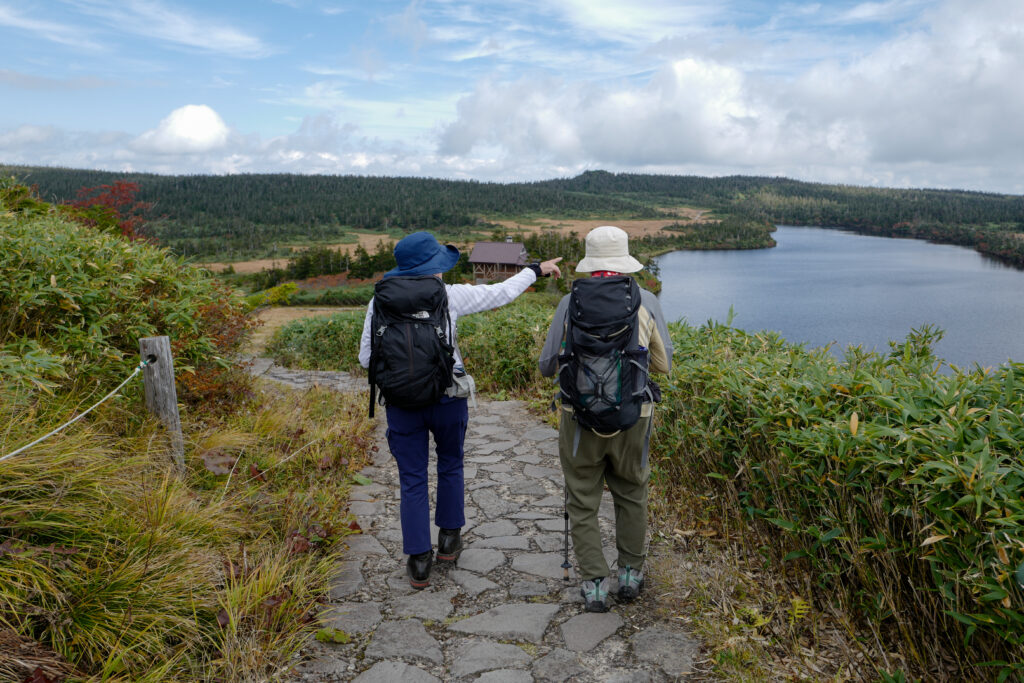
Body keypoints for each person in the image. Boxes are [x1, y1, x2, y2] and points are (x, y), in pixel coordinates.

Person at [358, 231, 562, 588]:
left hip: (402, 406)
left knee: (413, 478)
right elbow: (501, 292)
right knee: (450, 464)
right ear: (433, 267)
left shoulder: (379, 302)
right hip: (448, 397)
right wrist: (535, 270)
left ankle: (419, 560)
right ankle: (449, 540)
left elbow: (366, 358)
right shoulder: (449, 296)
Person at [538, 225, 673, 612]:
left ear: (590, 260)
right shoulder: (645, 299)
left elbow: (548, 367)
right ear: (624, 259)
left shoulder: (569, 303)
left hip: (578, 419)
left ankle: (595, 584)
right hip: (635, 416)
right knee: (632, 494)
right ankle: (630, 574)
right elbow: (663, 365)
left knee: (582, 500)